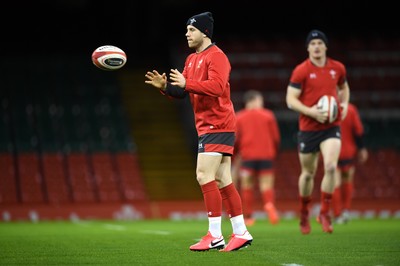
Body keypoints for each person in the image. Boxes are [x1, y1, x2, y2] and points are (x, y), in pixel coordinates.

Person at [144, 11, 252, 252]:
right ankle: (241, 232)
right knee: (224, 179)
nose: (186, 33)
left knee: (204, 175)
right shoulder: (191, 59)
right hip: (208, 126)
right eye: (186, 30)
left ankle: (214, 235)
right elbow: (184, 92)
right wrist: (166, 88)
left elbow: (216, 87)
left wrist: (187, 83)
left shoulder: (217, 56)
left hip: (218, 123)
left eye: (191, 30)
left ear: (204, 32)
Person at [285, 29, 350, 234]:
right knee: (308, 173)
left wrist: (345, 104)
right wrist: (311, 112)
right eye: (312, 44)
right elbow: (290, 100)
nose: (316, 47)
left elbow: (344, 88)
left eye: (320, 43)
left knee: (331, 167)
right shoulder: (301, 70)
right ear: (308, 48)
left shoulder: (337, 68)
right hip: (308, 128)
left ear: (325, 46)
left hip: (331, 126)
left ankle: (324, 211)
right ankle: (304, 212)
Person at [232, 90, 281, 226]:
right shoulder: (268, 115)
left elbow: (236, 139)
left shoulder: (239, 117)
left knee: (247, 185)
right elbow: (276, 138)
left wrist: (235, 155)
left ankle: (248, 217)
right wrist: (274, 152)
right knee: (266, 185)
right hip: (266, 156)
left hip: (247, 156)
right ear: (255, 100)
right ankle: (269, 205)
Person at [332, 102, 368, 224]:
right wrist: (362, 148)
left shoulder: (326, 107)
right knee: (347, 179)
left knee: (335, 182)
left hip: (331, 151)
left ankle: (337, 214)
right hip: (348, 151)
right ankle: (345, 210)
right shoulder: (351, 109)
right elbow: (358, 130)